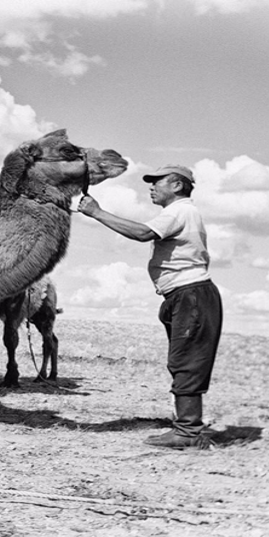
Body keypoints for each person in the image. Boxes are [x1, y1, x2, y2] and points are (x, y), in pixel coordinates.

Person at [78, 164, 222, 450]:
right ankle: (185, 425)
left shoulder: (181, 211)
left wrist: (97, 212)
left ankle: (187, 432)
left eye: (158, 182)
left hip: (189, 296)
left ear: (178, 186)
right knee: (183, 361)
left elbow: (143, 233)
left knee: (186, 362)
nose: (151, 187)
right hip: (183, 296)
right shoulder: (181, 212)